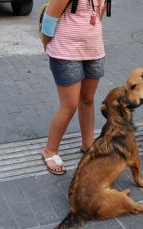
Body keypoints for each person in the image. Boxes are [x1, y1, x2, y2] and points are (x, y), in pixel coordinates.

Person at [40, 0, 107, 175]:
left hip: (94, 51)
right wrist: (49, 47)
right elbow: (48, 22)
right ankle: (50, 150)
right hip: (65, 53)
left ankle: (88, 145)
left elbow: (98, 17)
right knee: (69, 106)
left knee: (87, 99)